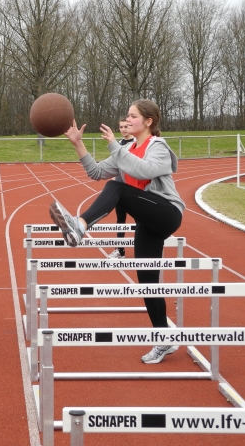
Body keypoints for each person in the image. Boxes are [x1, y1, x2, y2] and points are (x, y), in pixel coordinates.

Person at [48, 99, 185, 364]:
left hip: (167, 212)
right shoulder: (127, 148)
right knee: (147, 281)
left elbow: (143, 169)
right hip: (147, 219)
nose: (127, 120)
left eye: (133, 116)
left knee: (117, 188)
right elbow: (96, 172)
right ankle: (164, 338)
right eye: (127, 115)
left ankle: (81, 226)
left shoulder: (158, 148)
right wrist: (78, 144)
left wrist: (114, 146)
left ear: (148, 122)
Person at [107, 118, 135, 259]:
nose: (124, 129)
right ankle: (120, 250)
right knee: (120, 220)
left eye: (126, 126)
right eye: (121, 127)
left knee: (140, 220)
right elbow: (114, 165)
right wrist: (114, 179)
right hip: (120, 186)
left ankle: (142, 248)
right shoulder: (117, 144)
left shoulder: (136, 143)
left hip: (134, 187)